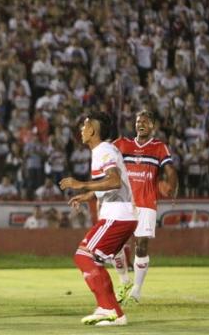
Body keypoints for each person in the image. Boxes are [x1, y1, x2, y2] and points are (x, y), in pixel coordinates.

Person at [60, 111, 137, 327]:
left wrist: (81, 184)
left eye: (84, 126)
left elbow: (114, 181)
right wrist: (90, 195)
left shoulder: (103, 150)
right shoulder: (105, 150)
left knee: (84, 257)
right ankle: (116, 313)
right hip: (121, 215)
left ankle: (107, 308)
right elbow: (108, 183)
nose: (81, 130)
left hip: (117, 215)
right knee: (90, 258)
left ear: (92, 130)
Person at [112, 110, 178, 305]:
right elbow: (104, 155)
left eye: (145, 122)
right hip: (123, 203)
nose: (140, 124)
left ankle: (136, 291)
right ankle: (124, 280)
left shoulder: (159, 148)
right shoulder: (123, 144)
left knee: (141, 246)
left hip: (147, 203)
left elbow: (170, 170)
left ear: (152, 126)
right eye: (138, 121)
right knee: (114, 246)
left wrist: (172, 187)